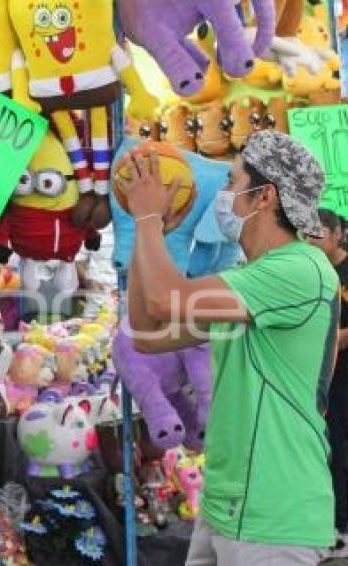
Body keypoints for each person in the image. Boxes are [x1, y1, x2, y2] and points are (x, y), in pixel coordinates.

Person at [118, 130, 337, 565]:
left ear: (264, 197)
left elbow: (164, 300)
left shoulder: (299, 269)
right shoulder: (250, 278)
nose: (222, 195)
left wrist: (147, 221)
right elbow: (146, 330)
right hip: (226, 505)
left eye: (232, 182)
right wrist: (151, 230)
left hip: (273, 513)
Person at [308, 208, 348, 556]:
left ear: (338, 234)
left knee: (340, 449)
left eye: (319, 232)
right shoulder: (311, 272)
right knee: (326, 450)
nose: (313, 239)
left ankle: (342, 528)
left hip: (342, 377)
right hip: (321, 378)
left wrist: (330, 337)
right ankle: (330, 524)